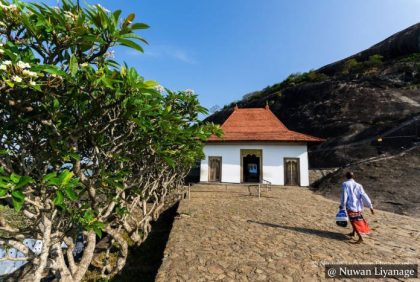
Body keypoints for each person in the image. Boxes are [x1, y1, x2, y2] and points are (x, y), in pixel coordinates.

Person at [339, 172, 374, 244]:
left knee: (354, 222)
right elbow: (364, 195)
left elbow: (344, 195)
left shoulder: (345, 184)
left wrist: (343, 205)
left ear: (346, 176)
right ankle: (353, 233)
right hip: (358, 207)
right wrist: (370, 206)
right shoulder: (359, 185)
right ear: (353, 176)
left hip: (350, 206)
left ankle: (360, 237)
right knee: (357, 219)